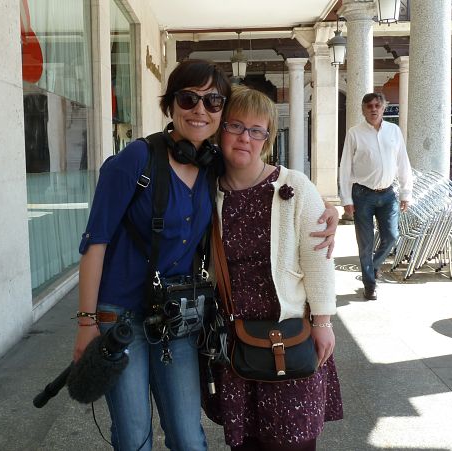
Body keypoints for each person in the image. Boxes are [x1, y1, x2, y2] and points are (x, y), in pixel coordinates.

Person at [74, 60, 339, 451]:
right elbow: (95, 243)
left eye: (213, 102)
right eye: (188, 99)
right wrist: (86, 323)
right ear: (170, 104)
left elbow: (270, 184)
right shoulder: (136, 160)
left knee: (188, 437)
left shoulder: (210, 168)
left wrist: (325, 208)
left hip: (178, 316)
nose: (200, 109)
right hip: (122, 316)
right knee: (133, 436)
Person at [202, 85, 343, 451]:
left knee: (293, 441)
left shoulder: (294, 187)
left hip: (290, 334)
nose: (245, 137)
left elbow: (318, 259)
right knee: (246, 443)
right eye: (235, 126)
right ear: (220, 130)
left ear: (268, 139)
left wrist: (323, 322)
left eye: (257, 130)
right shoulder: (205, 190)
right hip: (236, 340)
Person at [339, 92, 412, 301]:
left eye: (377, 105)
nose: (373, 109)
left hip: (388, 194)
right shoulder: (354, 133)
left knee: (391, 237)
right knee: (366, 244)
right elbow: (345, 167)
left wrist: (406, 192)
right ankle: (370, 285)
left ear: (383, 108)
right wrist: (346, 199)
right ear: (363, 110)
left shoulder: (394, 131)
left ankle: (372, 267)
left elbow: (403, 162)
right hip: (362, 195)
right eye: (369, 106)